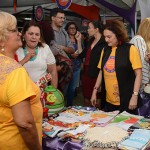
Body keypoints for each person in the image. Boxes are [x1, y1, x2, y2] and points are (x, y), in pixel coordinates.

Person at [0, 12, 42, 150]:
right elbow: (25, 123)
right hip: (16, 144)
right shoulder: (15, 71)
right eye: (13, 30)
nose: (19, 33)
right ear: (1, 40)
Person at [91, 20, 142, 114]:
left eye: (109, 37)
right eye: (105, 37)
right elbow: (101, 72)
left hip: (127, 99)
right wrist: (95, 91)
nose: (106, 40)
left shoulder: (130, 49)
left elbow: (138, 74)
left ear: (118, 35)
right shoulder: (105, 50)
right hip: (108, 100)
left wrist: (134, 96)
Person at [16, 20, 58, 88]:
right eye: (31, 34)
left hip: (42, 93)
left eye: (37, 34)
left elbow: (53, 71)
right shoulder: (16, 49)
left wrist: (53, 92)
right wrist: (24, 60)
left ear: (39, 37)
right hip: (22, 94)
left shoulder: (45, 48)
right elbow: (10, 71)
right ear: (24, 35)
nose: (34, 37)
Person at [79, 20, 107, 107]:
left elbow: (104, 62)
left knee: (97, 100)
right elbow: (82, 54)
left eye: (89, 28)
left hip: (97, 74)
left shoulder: (104, 42)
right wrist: (78, 41)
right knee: (86, 99)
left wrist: (102, 81)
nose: (87, 30)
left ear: (96, 29)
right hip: (86, 73)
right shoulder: (90, 41)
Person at [50, 8, 74, 95]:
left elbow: (72, 49)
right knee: (51, 96)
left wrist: (63, 47)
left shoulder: (64, 32)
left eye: (63, 18)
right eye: (60, 18)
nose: (63, 20)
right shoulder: (48, 31)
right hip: (51, 69)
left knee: (62, 95)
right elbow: (54, 50)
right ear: (53, 18)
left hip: (64, 71)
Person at [130, 18, 150, 116]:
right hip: (142, 87)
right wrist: (146, 84)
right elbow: (141, 66)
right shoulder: (139, 39)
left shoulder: (139, 39)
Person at [65, 22, 83, 106]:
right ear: (67, 30)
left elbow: (82, 51)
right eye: (70, 28)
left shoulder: (79, 39)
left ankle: (69, 105)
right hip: (67, 66)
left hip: (77, 66)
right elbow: (62, 51)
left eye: (74, 28)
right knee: (65, 87)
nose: (72, 29)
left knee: (73, 87)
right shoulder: (65, 39)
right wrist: (70, 55)